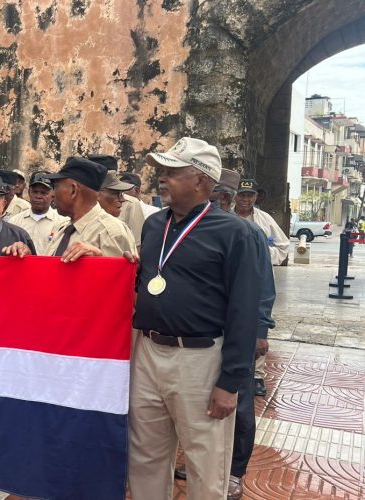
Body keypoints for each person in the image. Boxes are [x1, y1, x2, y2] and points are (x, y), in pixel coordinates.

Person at [128, 138, 260, 500]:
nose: (162, 178)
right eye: (162, 171)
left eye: (173, 172)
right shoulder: (154, 225)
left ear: (201, 180)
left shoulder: (236, 233)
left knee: (206, 460)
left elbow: (245, 311)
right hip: (149, 351)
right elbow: (142, 280)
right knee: (145, 455)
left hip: (200, 359)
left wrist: (230, 382)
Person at [172, 167, 277, 499]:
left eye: (216, 199)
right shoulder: (194, 229)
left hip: (238, 334)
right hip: (203, 339)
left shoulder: (246, 233)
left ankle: (234, 471)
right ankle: (199, 461)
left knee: (239, 403)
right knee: (201, 407)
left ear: (226, 200)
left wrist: (260, 329)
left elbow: (261, 288)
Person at [233, 179, 288, 398]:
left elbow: (283, 247)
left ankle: (257, 375)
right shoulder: (226, 217)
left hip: (258, 278)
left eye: (250, 195)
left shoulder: (265, 221)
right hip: (232, 278)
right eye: (242, 195)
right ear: (235, 196)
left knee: (258, 324)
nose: (246, 199)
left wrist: (263, 255)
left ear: (257, 197)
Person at [44, 157, 136, 258]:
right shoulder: (62, 229)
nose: (52, 194)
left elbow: (120, 273)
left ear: (73, 190)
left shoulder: (110, 232)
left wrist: (99, 259)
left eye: (56, 187)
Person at [9, 171, 68, 251]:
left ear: (53, 195)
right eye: (35, 192)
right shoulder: (14, 222)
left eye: (44, 193)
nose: (38, 196)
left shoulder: (63, 224)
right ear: (29, 192)